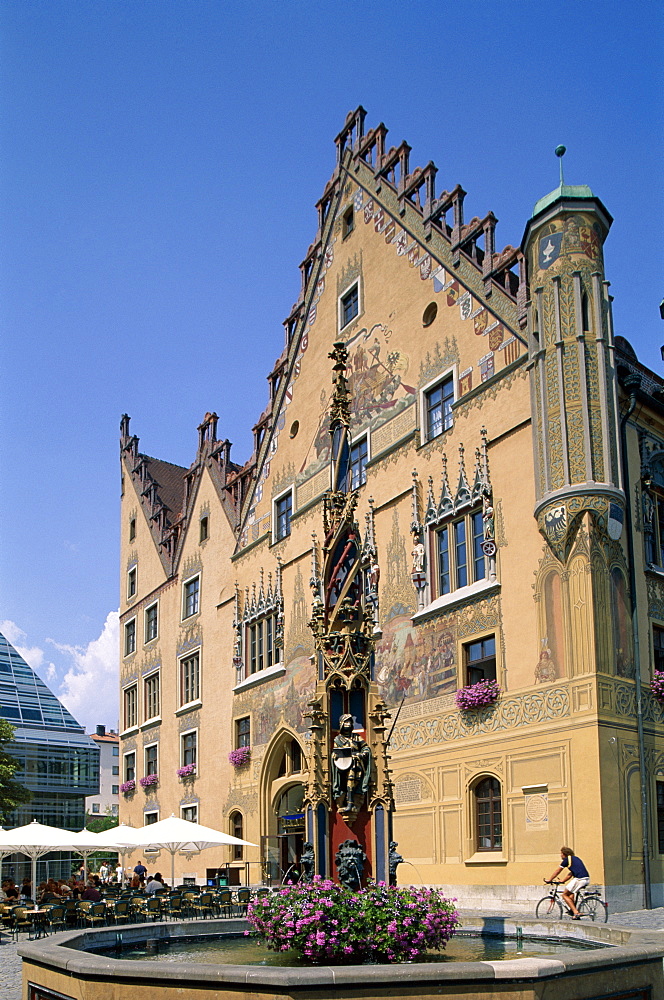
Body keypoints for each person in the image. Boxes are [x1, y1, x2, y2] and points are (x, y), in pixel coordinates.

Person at [331, 714, 371, 817]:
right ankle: (347, 802)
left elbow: (365, 748)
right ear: (341, 724)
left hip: (355, 764)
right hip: (343, 766)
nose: (348, 724)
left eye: (350, 722)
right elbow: (335, 751)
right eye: (346, 722)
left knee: (353, 781)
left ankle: (351, 803)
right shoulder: (338, 739)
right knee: (346, 783)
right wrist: (334, 755)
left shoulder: (356, 737)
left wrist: (362, 754)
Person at [545, 846, 589, 918]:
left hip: (579, 879)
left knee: (564, 895)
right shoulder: (576, 859)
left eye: (561, 854)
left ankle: (575, 912)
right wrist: (563, 881)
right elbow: (571, 874)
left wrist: (550, 879)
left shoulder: (566, 860)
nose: (560, 855)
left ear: (564, 854)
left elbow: (558, 871)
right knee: (570, 893)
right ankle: (573, 912)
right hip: (586, 878)